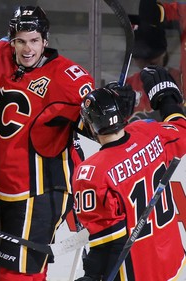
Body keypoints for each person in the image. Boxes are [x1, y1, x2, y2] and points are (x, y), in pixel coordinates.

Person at [0, 5, 95, 280]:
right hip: (4, 188)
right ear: (12, 41)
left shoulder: (68, 76)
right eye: (20, 41)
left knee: (16, 275)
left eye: (34, 41)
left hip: (40, 191)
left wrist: (111, 104)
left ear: (45, 40)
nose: (27, 49)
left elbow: (100, 120)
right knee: (23, 271)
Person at [73, 65, 186, 281]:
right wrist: (166, 99)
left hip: (136, 272)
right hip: (171, 261)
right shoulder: (150, 131)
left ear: (91, 126)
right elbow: (180, 128)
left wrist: (92, 275)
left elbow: (107, 243)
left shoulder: (92, 173)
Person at [126, 2, 183, 121]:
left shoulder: (180, 79)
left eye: (152, 56)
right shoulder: (128, 85)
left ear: (164, 52)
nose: (148, 62)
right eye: (142, 58)